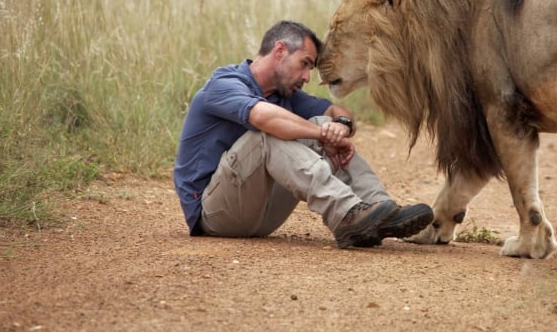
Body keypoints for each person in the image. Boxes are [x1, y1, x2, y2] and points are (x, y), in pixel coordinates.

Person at [173, 20, 434, 248]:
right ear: (280, 51)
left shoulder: (284, 95)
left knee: (319, 121)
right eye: (305, 64)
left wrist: (339, 127)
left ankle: (381, 210)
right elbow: (263, 117)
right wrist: (323, 134)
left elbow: (338, 111)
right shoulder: (224, 84)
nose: (308, 77)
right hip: (213, 214)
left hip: (261, 217)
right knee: (267, 133)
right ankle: (346, 215)